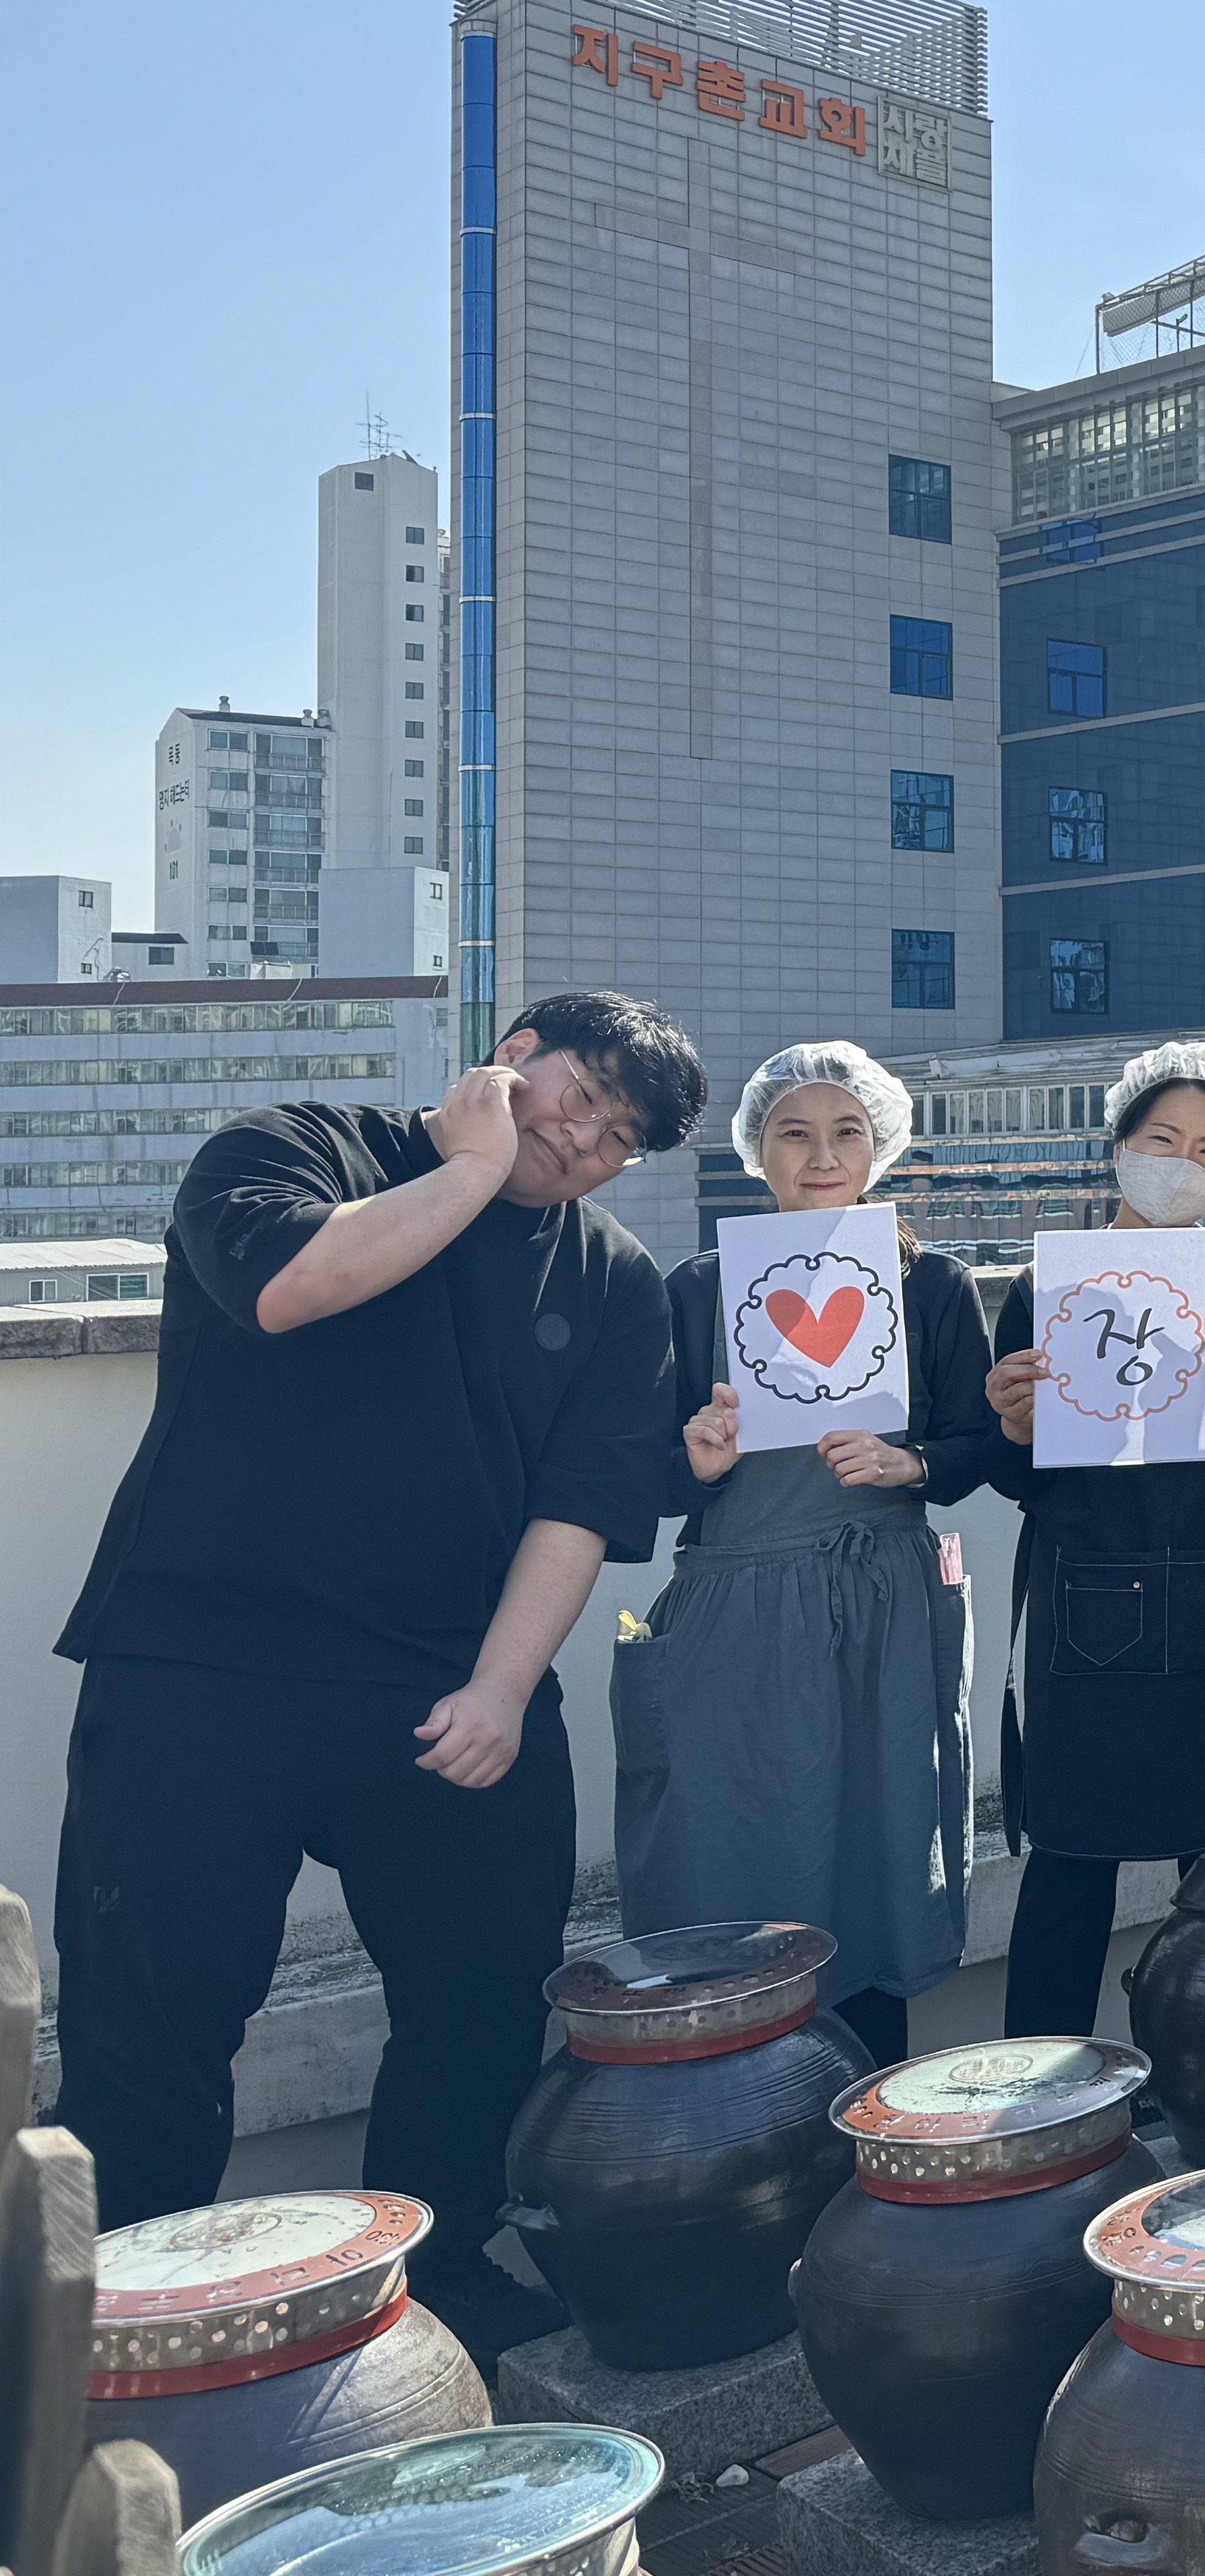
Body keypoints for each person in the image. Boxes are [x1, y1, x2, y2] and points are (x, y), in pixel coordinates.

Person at [51, 989, 707, 2350]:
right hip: (202, 1663)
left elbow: (581, 1506)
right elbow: (289, 1286)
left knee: (481, 1992)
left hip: (448, 1686)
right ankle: (110, 2317)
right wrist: (472, 1167)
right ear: (510, 1053)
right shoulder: (297, 1145)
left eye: (617, 1137)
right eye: (577, 1094)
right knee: (153, 2011)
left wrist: (504, 1689)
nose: (581, 1140)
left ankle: (434, 2274)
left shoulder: (610, 1278)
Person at [618, 1043, 1002, 2072]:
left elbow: (983, 1445)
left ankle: (868, 2119)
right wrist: (696, 1462)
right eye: (794, 1130)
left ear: (880, 1147)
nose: (821, 1154)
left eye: (846, 1131)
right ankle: (742, 2123)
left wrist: (908, 1460)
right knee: (735, 1865)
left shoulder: (933, 1288)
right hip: (735, 1613)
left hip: (882, 1602)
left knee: (880, 1865)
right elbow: (643, 1477)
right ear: (758, 1151)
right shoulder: (697, 1290)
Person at [983, 1040, 1205, 2037]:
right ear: (1118, 1148)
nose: (1182, 1162)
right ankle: (1039, 2102)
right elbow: (1018, 1477)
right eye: (1162, 1139)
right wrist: (1013, 1423)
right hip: (1089, 1613)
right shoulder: (1047, 1283)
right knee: (1068, 1871)